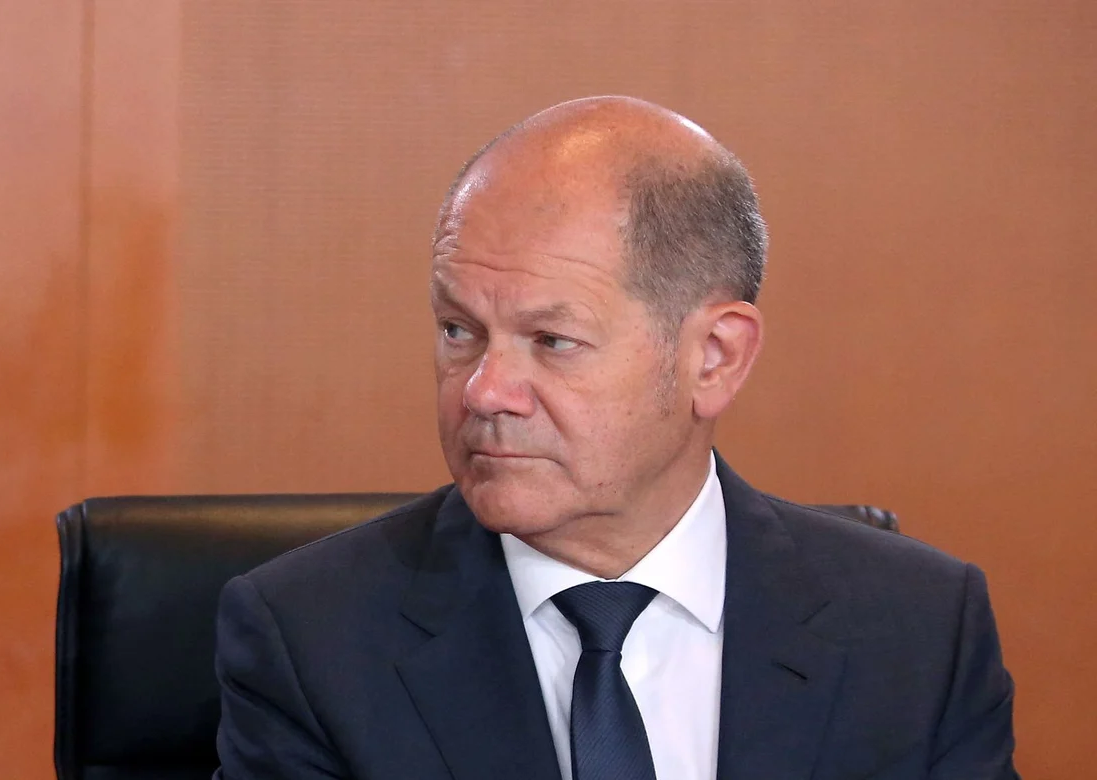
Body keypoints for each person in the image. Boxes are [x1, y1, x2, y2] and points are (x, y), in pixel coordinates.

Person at [213, 96, 1018, 780]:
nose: (484, 392)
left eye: (552, 341)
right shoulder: (311, 640)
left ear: (714, 357)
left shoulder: (918, 633)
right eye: (459, 330)